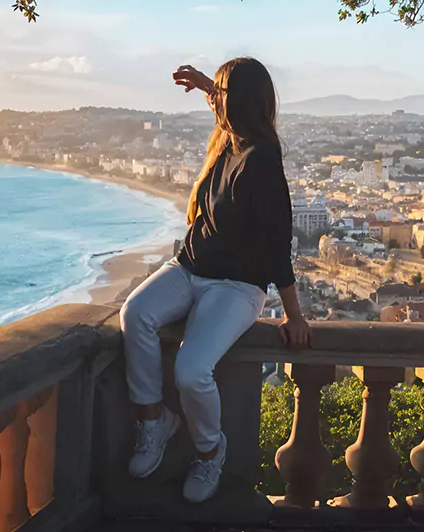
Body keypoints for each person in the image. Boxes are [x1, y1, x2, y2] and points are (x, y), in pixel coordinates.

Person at [119, 57, 313, 504]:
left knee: (192, 371)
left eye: (221, 96)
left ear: (238, 104)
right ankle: (154, 420)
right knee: (136, 314)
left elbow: (275, 243)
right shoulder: (229, 138)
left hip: (237, 286)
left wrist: (294, 315)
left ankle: (210, 449)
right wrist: (210, 85)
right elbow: (226, 105)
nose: (215, 103)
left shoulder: (261, 160)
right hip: (189, 267)